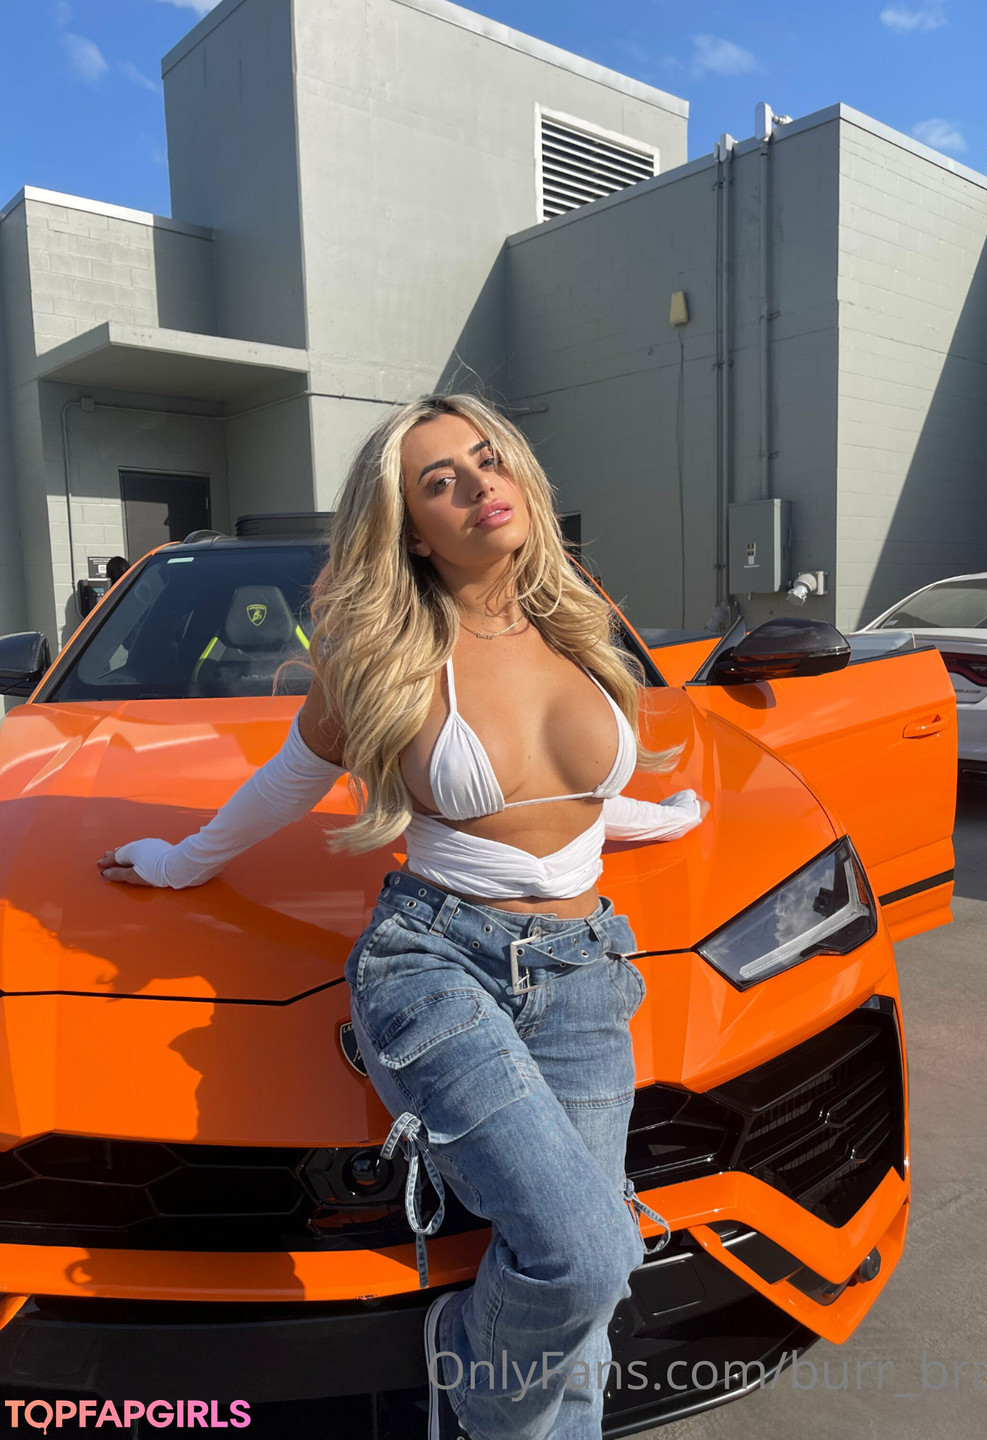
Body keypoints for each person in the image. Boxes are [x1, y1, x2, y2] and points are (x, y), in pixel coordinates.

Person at [97, 393, 705, 1440]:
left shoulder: (576, 625)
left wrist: (658, 816)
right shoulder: (386, 658)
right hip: (438, 962)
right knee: (590, 1254)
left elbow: (572, 792)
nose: (478, 485)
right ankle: (465, 1357)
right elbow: (287, 781)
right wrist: (178, 862)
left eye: (487, 459)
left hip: (584, 971)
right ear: (413, 531)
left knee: (585, 1309)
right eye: (440, 481)